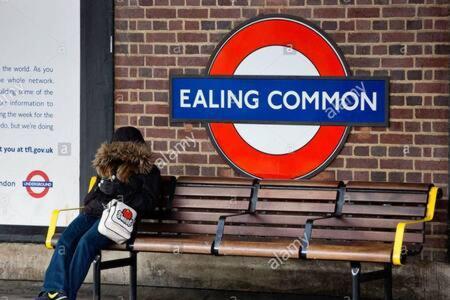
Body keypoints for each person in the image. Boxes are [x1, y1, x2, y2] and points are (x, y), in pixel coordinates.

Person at [36, 127, 161, 300]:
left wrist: (120, 194)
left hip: (118, 221)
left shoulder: (148, 171)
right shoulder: (107, 167)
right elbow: (88, 200)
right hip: (93, 214)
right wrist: (103, 194)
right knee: (66, 240)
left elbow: (148, 202)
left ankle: (66, 295)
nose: (122, 154)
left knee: (86, 243)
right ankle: (52, 291)